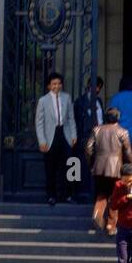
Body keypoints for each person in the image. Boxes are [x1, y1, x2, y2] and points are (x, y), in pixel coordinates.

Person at [85, 107, 132, 231]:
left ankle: (97, 215)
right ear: (118, 118)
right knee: (115, 196)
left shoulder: (97, 130)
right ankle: (111, 225)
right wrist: (128, 167)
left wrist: (92, 164)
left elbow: (88, 149)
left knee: (102, 193)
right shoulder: (123, 131)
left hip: (99, 168)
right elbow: (128, 152)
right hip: (116, 169)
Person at [35, 72, 77, 207]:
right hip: (50, 136)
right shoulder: (43, 101)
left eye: (59, 83)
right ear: (49, 86)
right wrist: (42, 141)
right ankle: (51, 195)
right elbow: (39, 122)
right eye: (54, 84)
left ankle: (69, 194)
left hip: (64, 133)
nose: (57, 86)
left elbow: (71, 118)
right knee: (51, 168)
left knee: (71, 164)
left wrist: (73, 135)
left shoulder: (67, 97)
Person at [74, 76, 105, 195]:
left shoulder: (99, 101)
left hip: (99, 138)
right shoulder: (79, 102)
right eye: (95, 86)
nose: (96, 89)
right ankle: (81, 191)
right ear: (88, 86)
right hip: (85, 138)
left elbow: (102, 118)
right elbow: (77, 120)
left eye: (98, 87)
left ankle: (94, 191)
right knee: (83, 165)